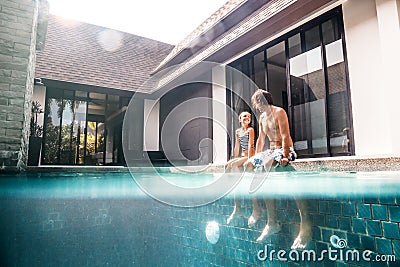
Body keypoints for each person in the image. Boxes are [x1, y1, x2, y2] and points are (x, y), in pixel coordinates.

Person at [244, 89, 311, 250]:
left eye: (258, 103)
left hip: (285, 149)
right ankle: (269, 219)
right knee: (248, 165)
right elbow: (260, 140)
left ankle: (275, 220)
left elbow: (285, 136)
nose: (257, 107)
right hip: (271, 152)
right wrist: (253, 158)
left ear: (263, 101)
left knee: (266, 165)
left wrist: (286, 156)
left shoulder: (279, 112)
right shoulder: (262, 118)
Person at [225, 111, 255, 224]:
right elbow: (237, 147)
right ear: (240, 119)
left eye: (248, 116)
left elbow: (250, 145)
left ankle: (239, 181)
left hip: (249, 155)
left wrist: (249, 160)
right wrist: (234, 158)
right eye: (244, 116)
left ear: (250, 120)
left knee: (233, 165)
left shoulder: (250, 130)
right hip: (242, 156)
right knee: (228, 164)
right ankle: (237, 207)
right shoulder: (238, 132)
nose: (246, 117)